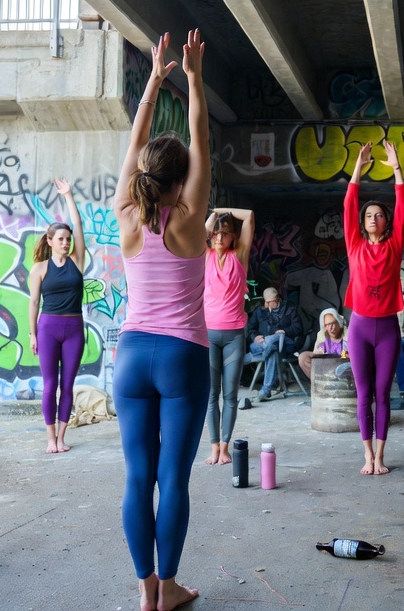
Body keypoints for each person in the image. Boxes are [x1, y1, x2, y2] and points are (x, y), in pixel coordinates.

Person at [112, 30, 209, 611]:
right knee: (172, 478)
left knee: (135, 476)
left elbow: (135, 147)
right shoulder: (191, 218)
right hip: (181, 357)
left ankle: (145, 589)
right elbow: (200, 138)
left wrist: (153, 81)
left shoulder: (126, 213)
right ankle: (168, 588)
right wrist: (194, 78)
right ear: (180, 180)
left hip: (130, 357)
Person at [343, 140, 404, 476]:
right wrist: (359, 167)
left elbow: (403, 205)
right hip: (359, 326)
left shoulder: (395, 244)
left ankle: (381, 456)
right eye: (367, 215)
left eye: (378, 215)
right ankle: (366, 454)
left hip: (387, 329)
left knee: (383, 393)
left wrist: (396, 168)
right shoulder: (354, 243)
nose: (372, 218)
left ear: (386, 222)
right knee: (364, 393)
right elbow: (348, 202)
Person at [28, 179, 87, 454]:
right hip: (48, 327)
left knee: (68, 385)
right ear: (50, 241)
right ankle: (50, 439)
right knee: (50, 385)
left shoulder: (77, 261)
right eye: (60, 239)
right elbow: (34, 303)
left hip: (74, 327)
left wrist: (68, 195)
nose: (65, 243)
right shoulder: (39, 268)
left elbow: (79, 226)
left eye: (67, 239)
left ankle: (62, 438)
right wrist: (32, 334)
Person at [203, 207, 254, 465]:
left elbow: (250, 216)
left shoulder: (240, 255)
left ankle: (224, 448)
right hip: (208, 334)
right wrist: (213, 218)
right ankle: (213, 448)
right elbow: (199, 233)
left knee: (230, 395)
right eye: (216, 234)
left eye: (225, 234)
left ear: (233, 237)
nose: (219, 238)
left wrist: (222, 210)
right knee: (212, 395)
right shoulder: (204, 256)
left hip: (234, 334)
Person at [244, 287, 304, 402]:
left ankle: (266, 389)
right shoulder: (259, 312)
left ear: (278, 298)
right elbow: (251, 329)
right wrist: (255, 336)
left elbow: (298, 328)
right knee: (272, 347)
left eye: (275, 300)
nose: (274, 303)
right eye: (271, 302)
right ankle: (266, 390)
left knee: (275, 340)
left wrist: (285, 331)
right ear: (266, 302)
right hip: (260, 345)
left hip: (284, 344)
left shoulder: (289, 310)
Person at [298, 307, 349, 378]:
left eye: (333, 323)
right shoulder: (321, 334)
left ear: (338, 322)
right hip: (325, 361)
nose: (331, 327)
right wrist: (320, 352)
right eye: (327, 325)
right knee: (303, 356)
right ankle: (317, 382)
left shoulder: (347, 333)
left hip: (342, 362)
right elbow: (316, 352)